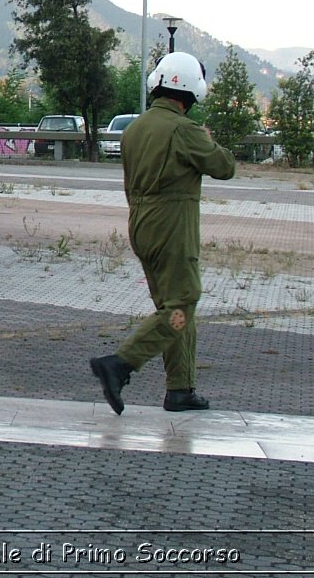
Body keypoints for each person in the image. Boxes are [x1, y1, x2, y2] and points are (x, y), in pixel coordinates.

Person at [89, 52, 236, 415]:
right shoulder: (184, 130)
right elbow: (224, 167)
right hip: (173, 226)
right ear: (190, 91)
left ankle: (180, 389)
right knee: (182, 304)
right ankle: (120, 364)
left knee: (170, 309)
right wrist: (208, 139)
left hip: (141, 223)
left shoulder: (134, 128)